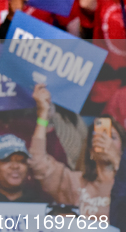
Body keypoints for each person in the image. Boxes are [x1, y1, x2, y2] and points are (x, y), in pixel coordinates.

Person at [30, 84, 126, 218]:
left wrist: (117, 162)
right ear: (91, 152)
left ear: (123, 149)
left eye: (113, 137)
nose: (105, 141)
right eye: (98, 136)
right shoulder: (75, 183)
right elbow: (38, 162)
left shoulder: (122, 185)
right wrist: (43, 115)